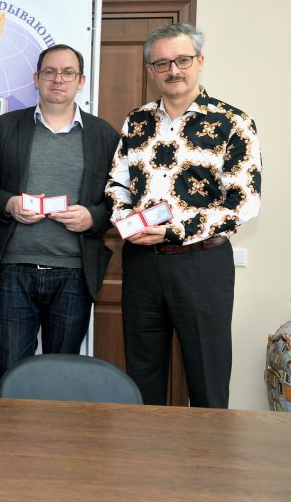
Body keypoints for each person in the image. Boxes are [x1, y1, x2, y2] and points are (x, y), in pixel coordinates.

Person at [107, 23, 261, 408]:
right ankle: (147, 447)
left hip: (202, 263)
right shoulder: (136, 121)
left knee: (208, 379)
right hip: (142, 263)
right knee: (142, 377)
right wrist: (126, 220)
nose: (173, 70)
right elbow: (117, 183)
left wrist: (174, 231)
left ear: (200, 61)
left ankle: (210, 450)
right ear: (150, 70)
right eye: (162, 63)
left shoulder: (233, 122)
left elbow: (244, 202)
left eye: (182, 60)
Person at [0, 45, 120, 395]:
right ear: (36, 78)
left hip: (75, 272)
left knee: (62, 379)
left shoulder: (104, 135)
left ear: (81, 81)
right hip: (15, 268)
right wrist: (9, 203)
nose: (58, 79)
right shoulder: (8, 126)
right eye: (50, 72)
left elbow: (119, 198)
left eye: (68, 72)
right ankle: (6, 432)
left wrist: (93, 217)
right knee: (9, 374)